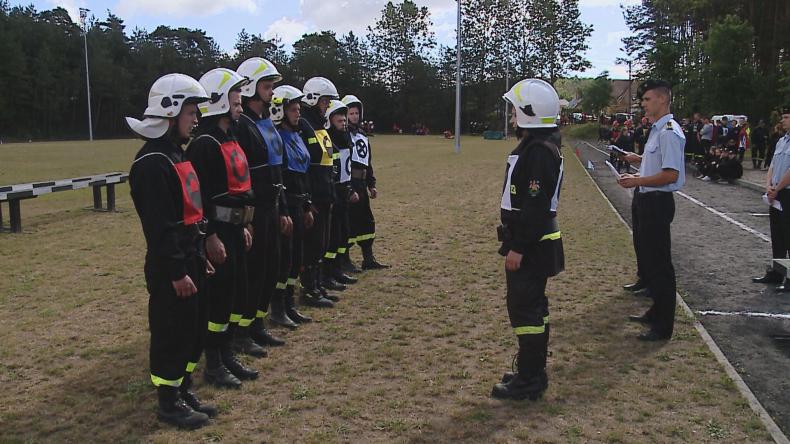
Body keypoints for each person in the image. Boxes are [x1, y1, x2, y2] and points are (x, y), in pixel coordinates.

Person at [126, 73, 215, 428]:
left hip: (191, 255)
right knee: (171, 332)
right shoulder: (152, 163)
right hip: (170, 264)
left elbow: (190, 213)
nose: (196, 119)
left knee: (192, 329)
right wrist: (177, 271)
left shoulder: (174, 154)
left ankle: (183, 388)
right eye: (191, 112)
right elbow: (159, 228)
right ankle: (168, 402)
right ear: (170, 111)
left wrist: (200, 253)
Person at [491, 79, 564, 401]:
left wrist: (518, 247)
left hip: (532, 245)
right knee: (533, 309)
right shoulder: (537, 146)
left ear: (530, 113)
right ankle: (531, 369)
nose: (511, 116)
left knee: (526, 310)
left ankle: (530, 379)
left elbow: (535, 205)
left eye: (515, 111)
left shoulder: (539, 151)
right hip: (534, 241)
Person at [188, 68, 260, 386]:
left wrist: (243, 224)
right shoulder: (204, 144)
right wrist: (210, 237)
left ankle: (227, 352)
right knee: (218, 298)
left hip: (235, 229)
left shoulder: (229, 137)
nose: (240, 109)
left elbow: (237, 190)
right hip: (218, 233)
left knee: (234, 294)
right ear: (218, 103)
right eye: (236, 103)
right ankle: (214, 363)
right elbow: (201, 198)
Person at [618, 79, 685, 341]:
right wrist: (639, 169)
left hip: (657, 202)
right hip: (647, 199)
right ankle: (656, 311)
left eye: (647, 99)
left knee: (660, 265)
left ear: (662, 99)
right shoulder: (657, 130)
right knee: (650, 260)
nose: (643, 104)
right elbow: (657, 164)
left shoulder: (668, 132)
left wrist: (637, 181)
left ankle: (663, 325)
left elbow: (670, 174)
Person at [235, 57, 298, 333]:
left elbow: (276, 170)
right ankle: (246, 330)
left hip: (272, 206)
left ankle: (259, 323)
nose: (272, 92)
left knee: (271, 267)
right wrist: (247, 218)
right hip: (256, 211)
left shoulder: (267, 123)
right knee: (255, 270)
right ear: (250, 88)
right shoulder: (242, 126)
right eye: (267, 86)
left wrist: (283, 208)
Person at [271, 85, 316, 324]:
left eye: (299, 109)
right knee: (285, 259)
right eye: (293, 110)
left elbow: (304, 174)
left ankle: (289, 303)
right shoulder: (277, 138)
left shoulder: (297, 136)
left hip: (299, 204)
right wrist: (285, 210)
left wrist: (307, 204)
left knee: (296, 257)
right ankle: (278, 308)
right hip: (287, 207)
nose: (298, 113)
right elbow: (281, 178)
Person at [299, 77, 341, 307]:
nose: (327, 106)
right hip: (315, 195)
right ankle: (308, 289)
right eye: (324, 101)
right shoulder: (305, 125)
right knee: (313, 244)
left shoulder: (319, 125)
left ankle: (317, 284)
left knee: (322, 243)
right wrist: (308, 198)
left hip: (326, 193)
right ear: (313, 99)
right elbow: (306, 164)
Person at [342, 94, 390, 270]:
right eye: (351, 113)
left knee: (366, 221)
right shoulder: (342, 135)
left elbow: (367, 162)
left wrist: (372, 184)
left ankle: (368, 258)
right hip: (349, 183)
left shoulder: (363, 135)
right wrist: (348, 188)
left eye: (356, 113)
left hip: (362, 184)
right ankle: (344, 260)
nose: (354, 116)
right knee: (349, 222)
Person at [752, 107, 790, 289]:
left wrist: (778, 188)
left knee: (788, 233)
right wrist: (769, 186)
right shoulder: (782, 141)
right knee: (777, 234)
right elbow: (773, 166)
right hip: (775, 191)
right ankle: (777, 272)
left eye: (786, 117)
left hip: (787, 192)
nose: (782, 121)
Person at [324, 99, 360, 284]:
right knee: (333, 235)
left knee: (343, 233)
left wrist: (350, 189)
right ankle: (328, 272)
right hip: (334, 192)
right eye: (340, 120)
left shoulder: (345, 139)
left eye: (345, 120)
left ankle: (338, 268)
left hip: (344, 191)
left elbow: (347, 169)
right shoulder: (328, 140)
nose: (344, 123)